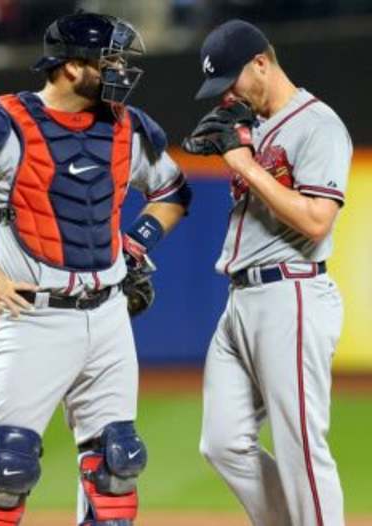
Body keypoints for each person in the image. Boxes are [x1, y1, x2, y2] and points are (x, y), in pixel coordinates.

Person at [0, 11, 191, 526]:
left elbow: (172, 193)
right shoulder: (5, 124)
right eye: (111, 61)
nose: (122, 71)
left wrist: (136, 246)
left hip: (108, 317)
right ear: (69, 67)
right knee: (6, 469)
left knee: (117, 466)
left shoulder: (128, 128)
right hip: (32, 317)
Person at [183, 19, 351, 526]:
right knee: (222, 442)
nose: (227, 95)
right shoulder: (250, 125)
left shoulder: (319, 125)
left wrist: (246, 167)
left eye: (232, 80)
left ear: (262, 62)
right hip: (241, 300)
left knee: (301, 446)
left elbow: (318, 221)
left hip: (291, 292)